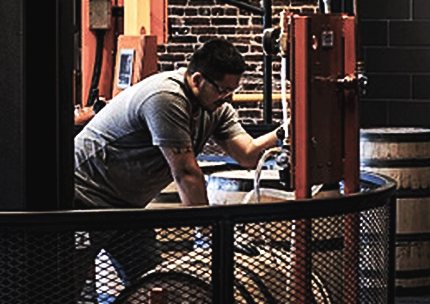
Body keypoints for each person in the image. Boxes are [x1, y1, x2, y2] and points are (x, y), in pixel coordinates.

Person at [74, 39, 284, 288]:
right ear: (196, 80)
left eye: (232, 91)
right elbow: (185, 172)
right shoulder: (166, 97)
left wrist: (283, 133)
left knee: (152, 287)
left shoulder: (217, 108)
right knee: (62, 291)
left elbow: (247, 155)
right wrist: (210, 233)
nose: (227, 98)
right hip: (84, 200)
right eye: (222, 89)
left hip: (127, 207)